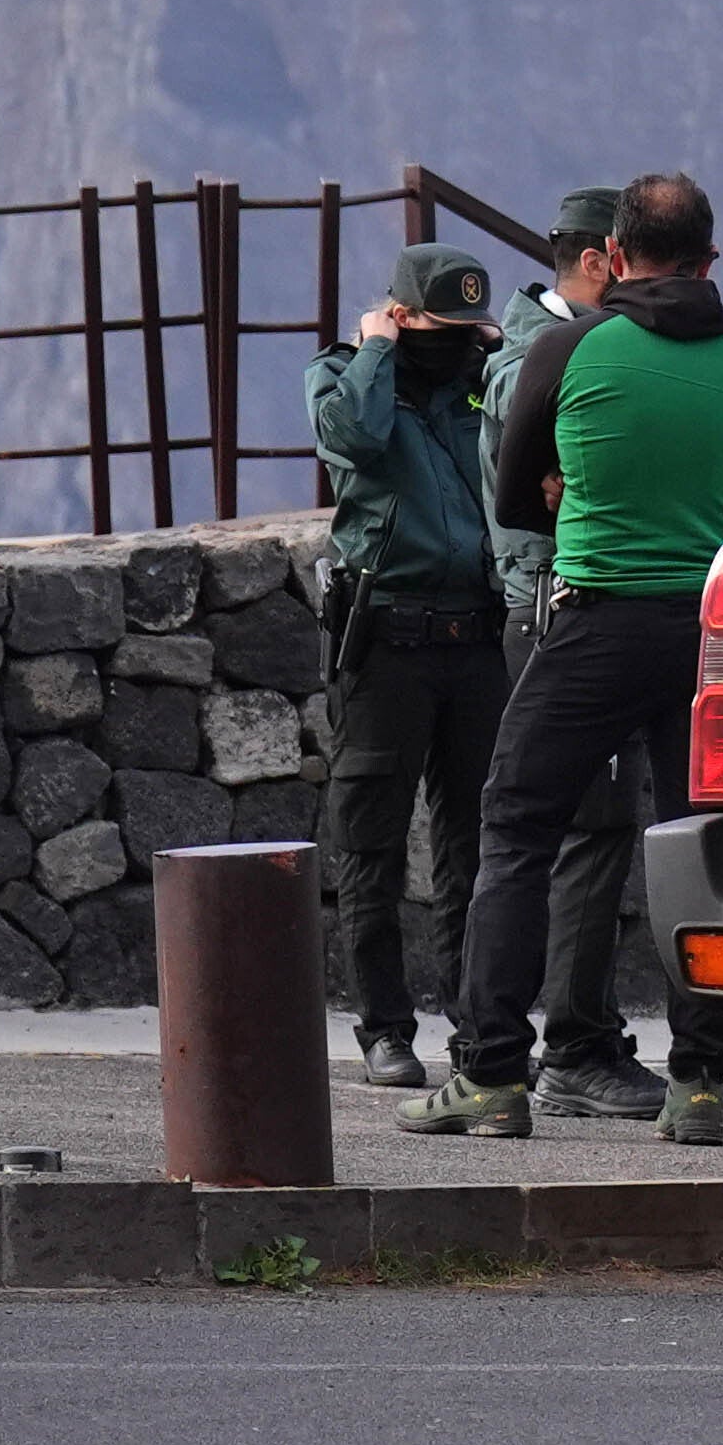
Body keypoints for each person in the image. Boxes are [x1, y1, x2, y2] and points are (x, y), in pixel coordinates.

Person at [412, 171, 723, 1145]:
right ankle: (700, 1081)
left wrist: (570, 484)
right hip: (714, 634)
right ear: (711, 261)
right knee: (704, 846)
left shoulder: (571, 347)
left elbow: (512, 498)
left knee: (518, 829)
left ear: (613, 258)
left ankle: (493, 1074)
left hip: (594, 623)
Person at [303, 244, 508, 1091]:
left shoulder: (480, 379)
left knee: (475, 845)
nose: (453, 340)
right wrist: (379, 351)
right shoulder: (346, 375)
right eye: (436, 326)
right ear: (397, 313)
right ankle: (384, 1029)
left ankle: (476, 1027)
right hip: (385, 642)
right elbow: (353, 436)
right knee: (372, 846)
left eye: (466, 326)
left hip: (475, 639)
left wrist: (495, 356)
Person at [479, 190, 665, 1119]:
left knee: (589, 828)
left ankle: (554, 1044)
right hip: (562, 608)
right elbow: (548, 491)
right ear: (602, 260)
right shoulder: (539, 361)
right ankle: (572, 1050)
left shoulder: (566, 352)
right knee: (584, 834)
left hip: (587, 604)